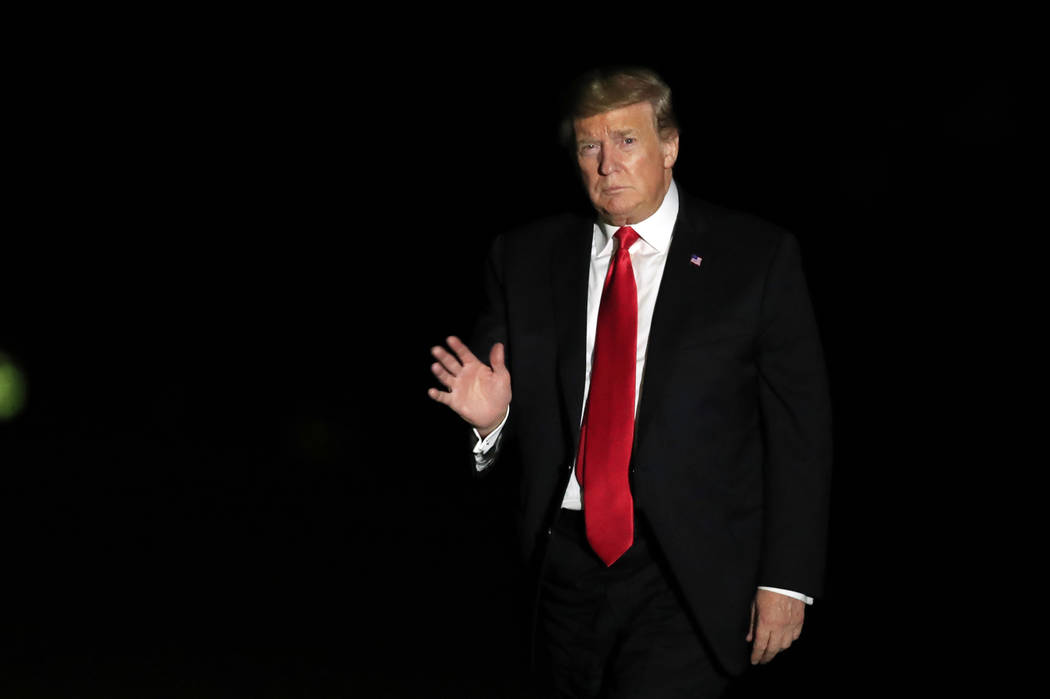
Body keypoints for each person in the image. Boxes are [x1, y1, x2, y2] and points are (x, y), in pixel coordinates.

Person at [427, 66, 832, 698]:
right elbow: (489, 406)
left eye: (627, 140)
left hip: (685, 571)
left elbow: (799, 431)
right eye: (590, 145)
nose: (607, 163)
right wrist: (492, 423)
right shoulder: (526, 258)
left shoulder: (755, 257)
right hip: (560, 566)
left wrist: (785, 579)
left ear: (670, 145)